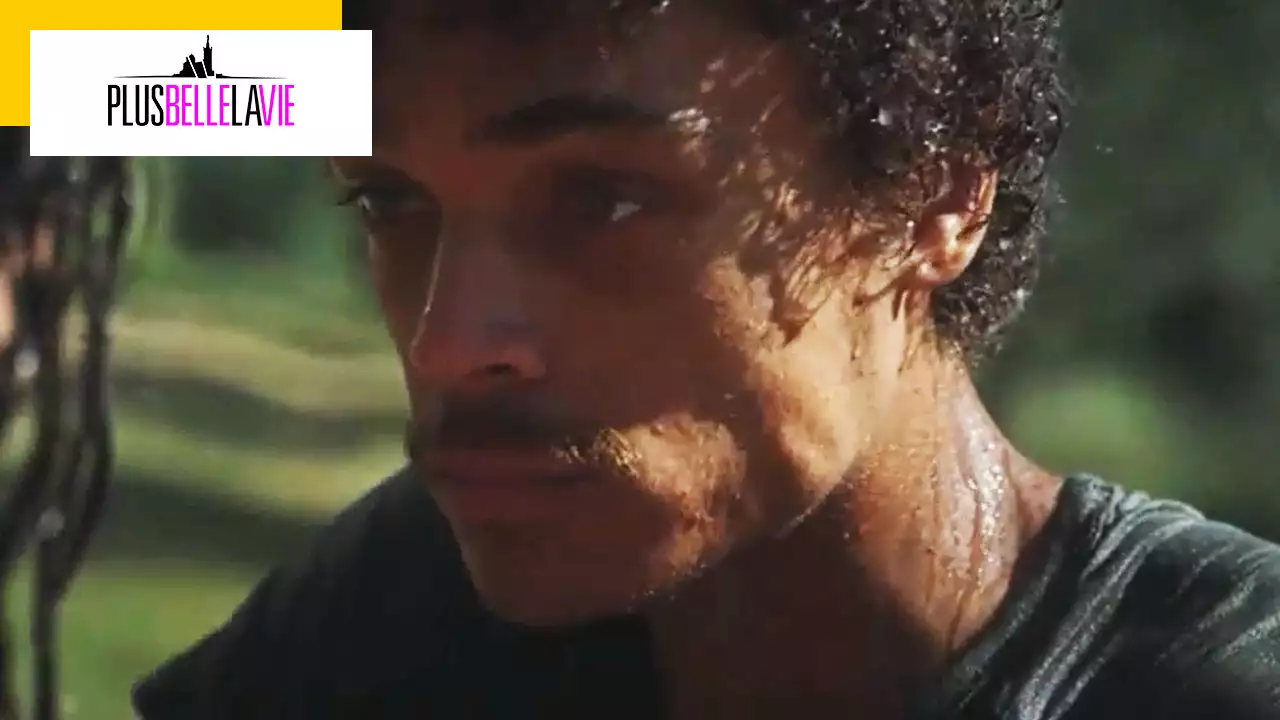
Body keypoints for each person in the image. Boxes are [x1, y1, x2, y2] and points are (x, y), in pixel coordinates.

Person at [133, 1, 1280, 718]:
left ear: (936, 193)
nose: (446, 343)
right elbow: (119, 78)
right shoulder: (400, 614)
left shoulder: (1217, 685)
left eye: (603, 200)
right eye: (390, 200)